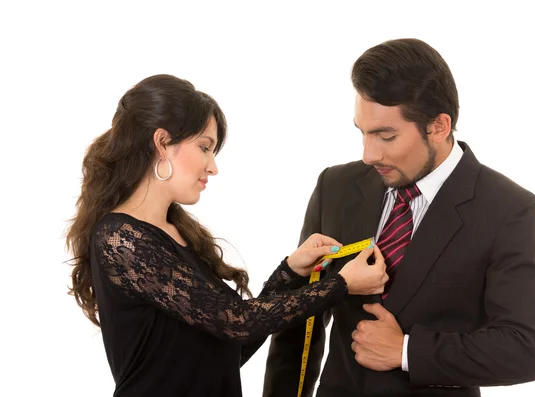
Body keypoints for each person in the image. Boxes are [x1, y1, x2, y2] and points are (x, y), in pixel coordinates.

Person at [64, 74, 389, 397]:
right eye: (204, 147)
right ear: (162, 142)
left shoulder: (179, 234)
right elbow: (238, 322)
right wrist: (341, 285)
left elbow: (232, 344)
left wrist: (292, 271)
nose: (212, 166)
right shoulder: (121, 238)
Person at [263, 38, 535, 396]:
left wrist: (406, 352)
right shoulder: (335, 186)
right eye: (363, 133)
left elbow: (524, 349)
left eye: (386, 136)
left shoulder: (509, 210)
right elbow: (299, 322)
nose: (369, 155)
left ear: (439, 127)